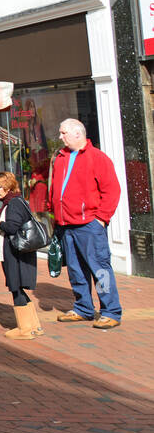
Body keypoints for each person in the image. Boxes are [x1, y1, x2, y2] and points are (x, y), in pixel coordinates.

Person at [50, 118, 123, 329]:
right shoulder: (61, 158)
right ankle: (83, 308)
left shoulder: (97, 158)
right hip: (66, 224)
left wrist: (101, 218)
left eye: (63, 133)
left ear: (77, 134)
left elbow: (112, 191)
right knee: (75, 269)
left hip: (89, 223)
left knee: (99, 268)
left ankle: (111, 311)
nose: (60, 136)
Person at [0, 171, 43, 339]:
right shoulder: (13, 202)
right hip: (15, 252)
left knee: (15, 287)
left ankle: (25, 329)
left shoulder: (14, 203)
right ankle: (33, 326)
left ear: (8, 186)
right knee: (17, 287)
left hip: (14, 252)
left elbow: (12, 227)